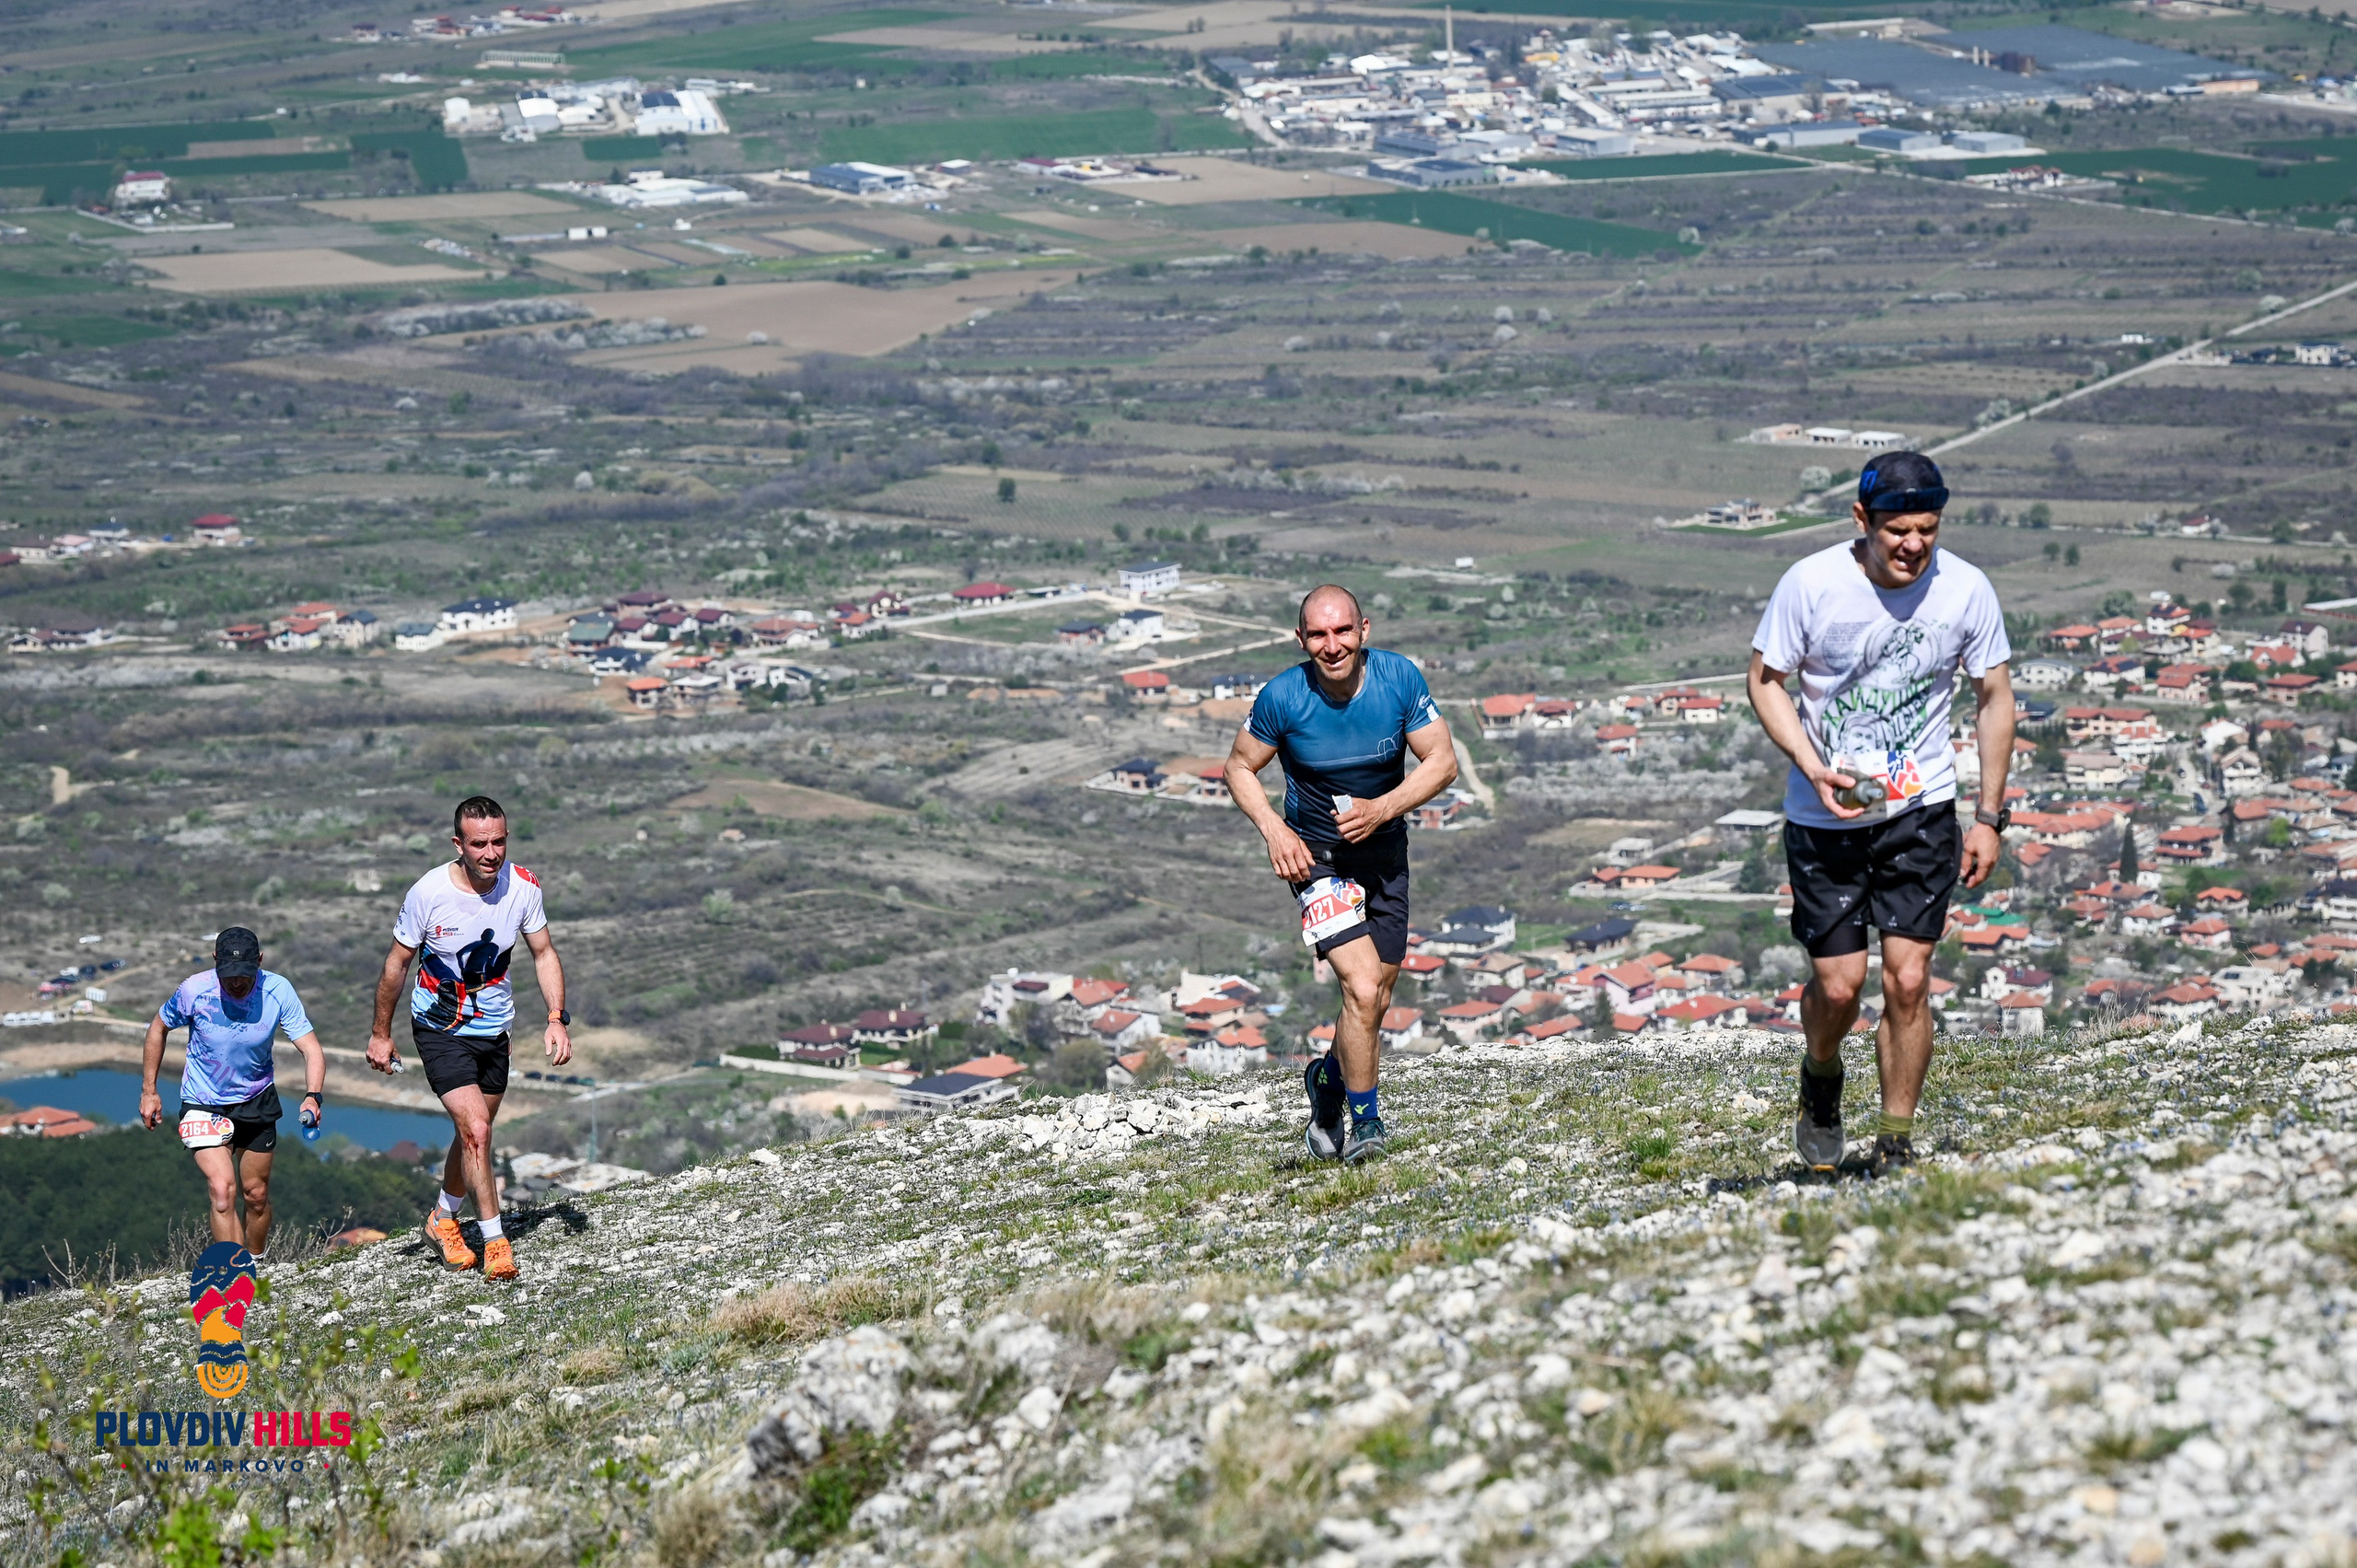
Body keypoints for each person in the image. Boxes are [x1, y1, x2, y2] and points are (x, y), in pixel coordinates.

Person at [1746, 451, 2015, 1178]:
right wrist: (1809, 762)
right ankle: (1822, 1077)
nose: (1914, 545)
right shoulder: (1810, 584)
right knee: (1839, 985)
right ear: (1861, 520)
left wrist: (1988, 814)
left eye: (1927, 529)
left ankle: (1895, 1138)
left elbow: (1995, 697)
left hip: (1920, 810)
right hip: (1825, 816)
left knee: (1907, 978)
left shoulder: (1966, 590)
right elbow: (1765, 680)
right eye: (1898, 530)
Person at [1224, 585, 1457, 1165]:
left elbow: (1443, 761)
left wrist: (1383, 810)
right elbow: (1238, 768)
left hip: (1384, 854)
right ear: (1301, 640)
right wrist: (1277, 832)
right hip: (1318, 859)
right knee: (1359, 986)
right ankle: (1367, 1126)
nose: (1332, 646)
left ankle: (1327, 1084)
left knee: (1372, 1001)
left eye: (1343, 631)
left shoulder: (1399, 680)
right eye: (1319, 635)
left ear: (1364, 631)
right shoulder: (1283, 696)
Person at [366, 796, 570, 1281]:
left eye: (499, 841)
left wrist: (556, 1017)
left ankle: (441, 1219)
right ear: (459, 844)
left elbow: (543, 953)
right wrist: (380, 1034)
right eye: (479, 843)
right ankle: (495, 1241)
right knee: (477, 1129)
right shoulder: (428, 893)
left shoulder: (523, 887)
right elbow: (398, 964)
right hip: (439, 1027)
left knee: (472, 1134)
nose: (491, 853)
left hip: (494, 1028)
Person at [140, 928, 327, 1263]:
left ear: (259, 961)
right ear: (215, 961)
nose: (237, 983)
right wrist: (149, 1091)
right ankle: (238, 1273)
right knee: (223, 1192)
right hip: (203, 1101)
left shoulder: (277, 989)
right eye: (228, 975)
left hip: (257, 1098)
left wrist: (313, 1096)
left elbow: (311, 1049)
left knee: (255, 1195)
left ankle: (256, 1260)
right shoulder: (194, 990)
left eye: (244, 975)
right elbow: (158, 1027)